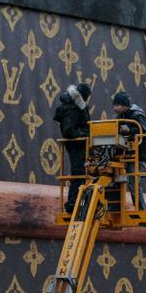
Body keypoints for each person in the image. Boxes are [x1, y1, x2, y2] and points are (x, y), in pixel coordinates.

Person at [53, 83, 92, 213]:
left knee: (80, 173)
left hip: (78, 145)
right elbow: (68, 130)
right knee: (79, 173)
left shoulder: (73, 105)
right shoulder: (73, 108)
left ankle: (77, 202)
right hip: (77, 145)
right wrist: (84, 135)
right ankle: (73, 204)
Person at [112, 91, 146, 210]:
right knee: (118, 180)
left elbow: (145, 133)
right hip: (125, 155)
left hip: (137, 155)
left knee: (133, 182)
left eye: (117, 105)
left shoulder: (136, 115)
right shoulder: (121, 116)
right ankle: (117, 207)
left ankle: (141, 210)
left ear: (124, 105)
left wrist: (130, 130)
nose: (115, 108)